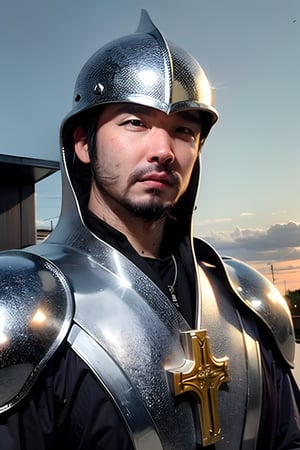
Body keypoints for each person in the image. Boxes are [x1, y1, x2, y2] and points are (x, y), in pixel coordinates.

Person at [0, 9, 299, 450]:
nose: (163, 149)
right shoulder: (22, 302)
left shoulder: (245, 299)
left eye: (183, 130)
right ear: (83, 143)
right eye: (135, 122)